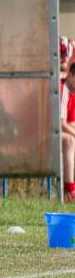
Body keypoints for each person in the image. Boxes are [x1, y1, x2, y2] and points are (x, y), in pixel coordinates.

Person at [63, 61, 75, 202]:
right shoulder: (63, 90)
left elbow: (71, 124)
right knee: (70, 140)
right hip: (42, 134)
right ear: (71, 75)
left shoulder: (73, 94)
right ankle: (70, 190)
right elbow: (60, 124)